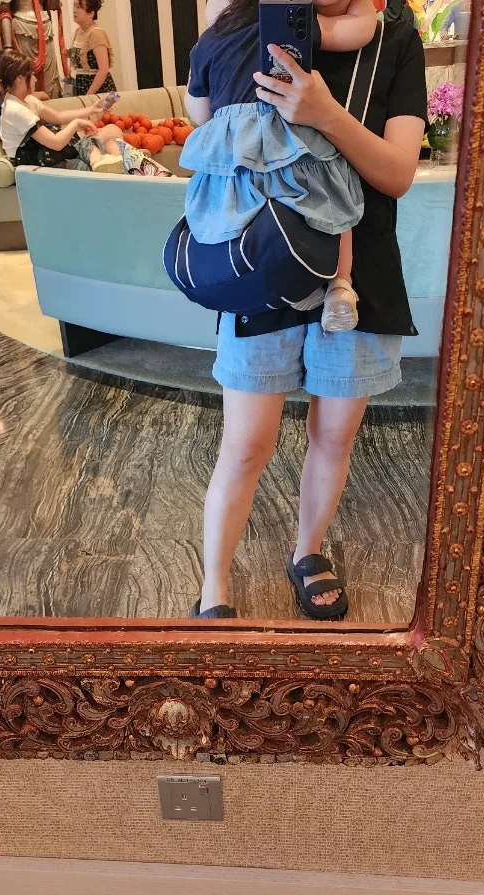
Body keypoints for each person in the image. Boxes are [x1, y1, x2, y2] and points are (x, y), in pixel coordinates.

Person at [189, 0, 427, 620]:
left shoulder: (393, 36)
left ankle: (308, 551)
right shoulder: (243, 23)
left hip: (359, 269)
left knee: (334, 435)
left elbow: (398, 173)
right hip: (262, 258)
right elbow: (208, 122)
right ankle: (214, 585)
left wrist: (327, 116)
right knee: (245, 443)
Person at [184, 0, 378, 337]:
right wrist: (363, 6)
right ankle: (340, 285)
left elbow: (199, 112)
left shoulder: (206, 42)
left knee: (236, 218)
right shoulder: (287, 24)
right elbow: (357, 31)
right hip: (286, 136)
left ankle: (278, 285)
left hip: (234, 156)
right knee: (332, 200)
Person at [0, 50, 126, 173]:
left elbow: (58, 117)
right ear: (19, 78)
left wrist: (91, 110)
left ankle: (113, 163)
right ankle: (109, 166)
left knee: (111, 130)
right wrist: (76, 123)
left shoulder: (27, 100)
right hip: (37, 167)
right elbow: (56, 143)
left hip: (49, 156)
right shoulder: (15, 109)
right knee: (89, 150)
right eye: (31, 75)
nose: (35, 79)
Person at [68, 0, 117, 96]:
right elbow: (84, 56)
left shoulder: (97, 34)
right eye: (74, 6)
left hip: (102, 90)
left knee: (109, 105)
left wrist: (89, 95)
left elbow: (104, 70)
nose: (74, 10)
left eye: (79, 7)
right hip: (83, 86)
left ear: (91, 13)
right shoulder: (78, 31)